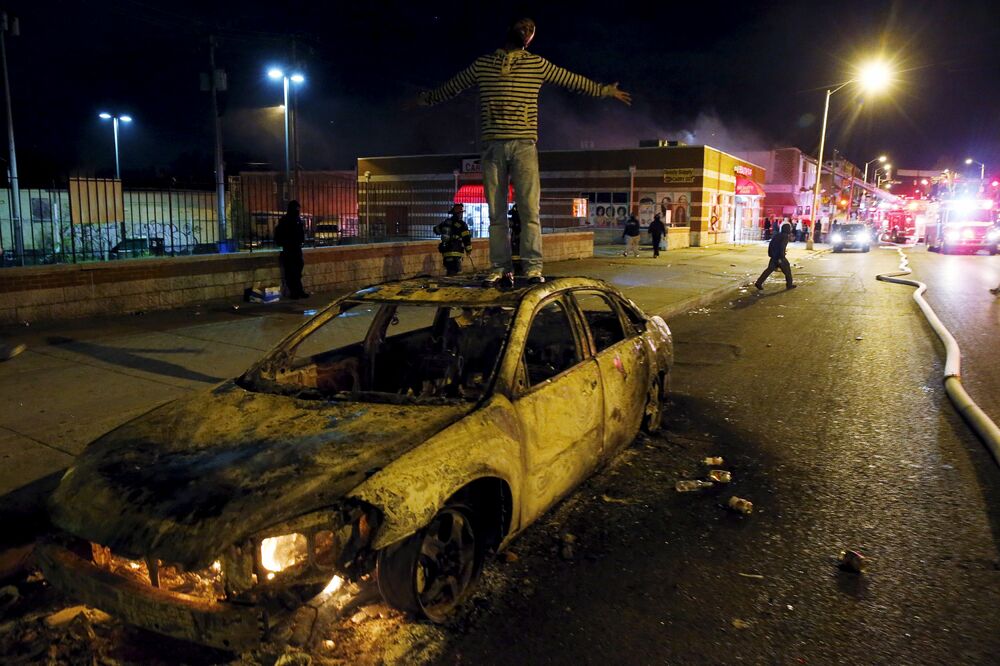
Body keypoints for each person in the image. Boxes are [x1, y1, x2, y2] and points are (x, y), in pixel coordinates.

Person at [417, 17, 631, 287]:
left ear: (531, 39)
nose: (528, 30)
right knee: (496, 215)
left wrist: (603, 91)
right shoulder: (484, 65)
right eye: (524, 25)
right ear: (510, 29)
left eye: (532, 29)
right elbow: (453, 86)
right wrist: (425, 99)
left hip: (524, 146)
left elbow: (570, 79)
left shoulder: (536, 64)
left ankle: (532, 268)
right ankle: (499, 267)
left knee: (530, 211)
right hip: (492, 146)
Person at [273, 200, 309, 299]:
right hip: (288, 249)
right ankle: (294, 292)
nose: (298, 211)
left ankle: (299, 291)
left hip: (296, 248)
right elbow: (279, 234)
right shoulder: (285, 220)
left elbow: (301, 233)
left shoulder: (297, 220)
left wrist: (301, 241)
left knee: (297, 270)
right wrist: (284, 243)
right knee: (291, 272)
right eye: (296, 209)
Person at [433, 204, 473, 276]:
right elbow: (466, 239)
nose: (462, 214)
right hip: (456, 252)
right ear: (459, 214)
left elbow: (435, 230)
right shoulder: (462, 224)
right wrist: (468, 250)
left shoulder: (446, 222)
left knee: (449, 269)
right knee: (455, 272)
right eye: (461, 213)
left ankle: (448, 282)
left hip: (446, 251)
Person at [754, 222, 796, 291]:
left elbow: (771, 244)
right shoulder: (785, 236)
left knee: (769, 270)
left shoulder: (777, 235)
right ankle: (789, 285)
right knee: (787, 270)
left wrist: (771, 254)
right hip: (780, 257)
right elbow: (781, 247)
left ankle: (759, 282)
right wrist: (781, 256)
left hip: (774, 256)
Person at [508, 204, 522, 275]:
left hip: (518, 233)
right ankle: (516, 266)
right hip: (516, 233)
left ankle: (518, 266)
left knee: (517, 250)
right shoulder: (516, 208)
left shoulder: (517, 208)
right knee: (515, 250)